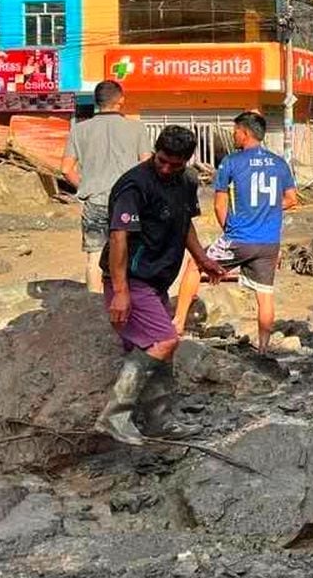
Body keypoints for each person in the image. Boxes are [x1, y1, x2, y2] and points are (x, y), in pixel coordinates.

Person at [94, 126, 226, 445]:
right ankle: (114, 416)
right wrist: (121, 292)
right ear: (155, 151)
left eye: (175, 164)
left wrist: (203, 259)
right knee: (166, 341)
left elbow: (185, 224)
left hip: (157, 280)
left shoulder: (187, 182)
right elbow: (118, 237)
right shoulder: (134, 185)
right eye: (162, 160)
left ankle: (158, 420)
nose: (166, 168)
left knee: (157, 350)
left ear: (187, 161)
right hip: (132, 278)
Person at [172, 112, 298, 352]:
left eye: (235, 131)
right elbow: (291, 199)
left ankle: (177, 323)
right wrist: (266, 207)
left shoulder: (231, 162)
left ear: (246, 133)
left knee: (195, 264)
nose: (232, 135)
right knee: (265, 294)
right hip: (270, 243)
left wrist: (229, 231)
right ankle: (263, 347)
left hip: (239, 237)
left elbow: (219, 205)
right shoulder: (280, 163)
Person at [62, 80, 152, 293]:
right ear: (120, 99)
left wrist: (85, 187)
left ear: (97, 101)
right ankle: (127, 299)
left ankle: (94, 305)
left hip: (95, 201)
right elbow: (147, 165)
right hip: (128, 202)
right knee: (129, 252)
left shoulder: (79, 130)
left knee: (95, 254)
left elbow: (66, 169)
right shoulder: (136, 128)